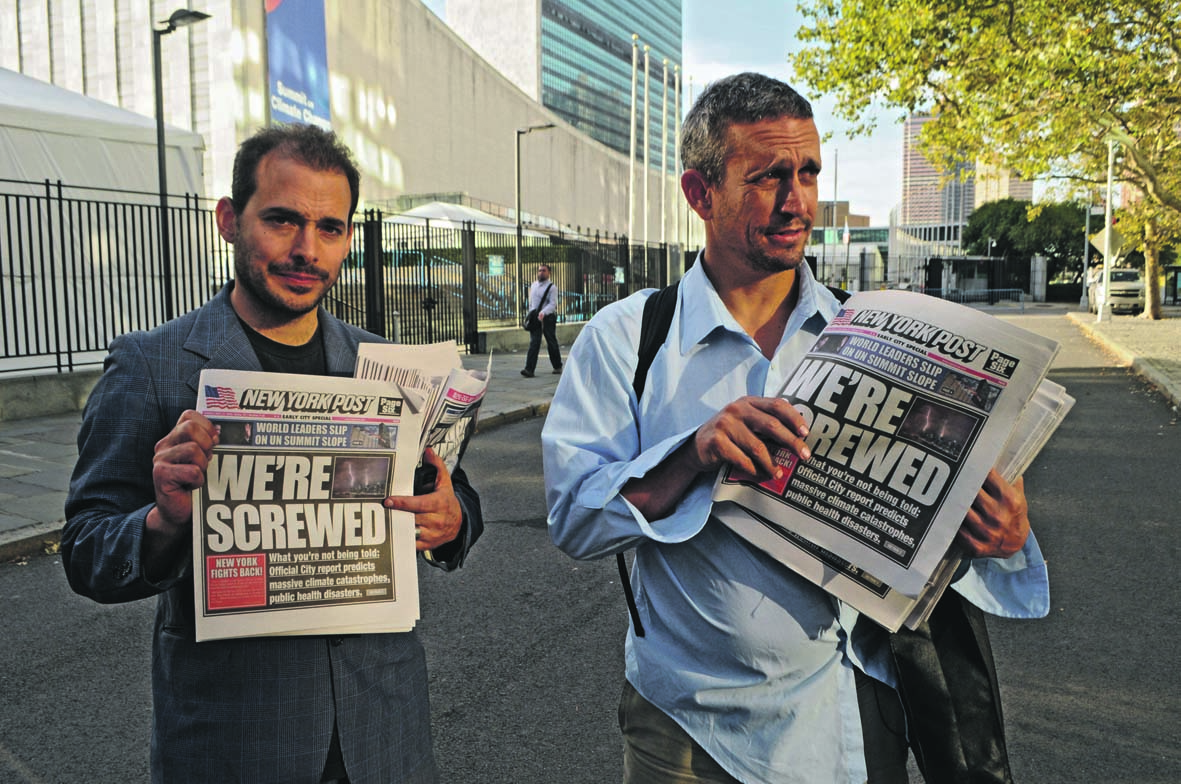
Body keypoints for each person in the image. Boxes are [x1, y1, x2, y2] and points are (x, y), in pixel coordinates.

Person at [542, 73, 1048, 783]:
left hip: (854, 712)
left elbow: (941, 531)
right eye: (767, 177)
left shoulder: (881, 335)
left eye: (807, 172)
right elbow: (574, 519)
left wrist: (1005, 538)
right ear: (698, 193)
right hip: (690, 732)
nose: (797, 202)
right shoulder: (624, 340)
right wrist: (691, 455)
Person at [61, 124, 483, 784]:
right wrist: (162, 521)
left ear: (348, 236)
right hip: (232, 744)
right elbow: (86, 549)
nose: (305, 250)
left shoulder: (385, 367)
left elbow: (454, 495)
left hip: (385, 738)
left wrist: (452, 520)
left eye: (329, 227)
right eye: (282, 220)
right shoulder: (150, 365)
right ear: (229, 220)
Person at [521, 263, 562, 377]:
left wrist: (543, 312)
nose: (541, 273)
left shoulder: (552, 287)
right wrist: (531, 314)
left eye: (544, 270)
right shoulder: (533, 285)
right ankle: (529, 369)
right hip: (535, 317)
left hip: (548, 317)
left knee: (551, 341)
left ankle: (557, 365)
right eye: (540, 271)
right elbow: (531, 302)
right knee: (534, 342)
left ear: (549, 273)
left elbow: (553, 304)